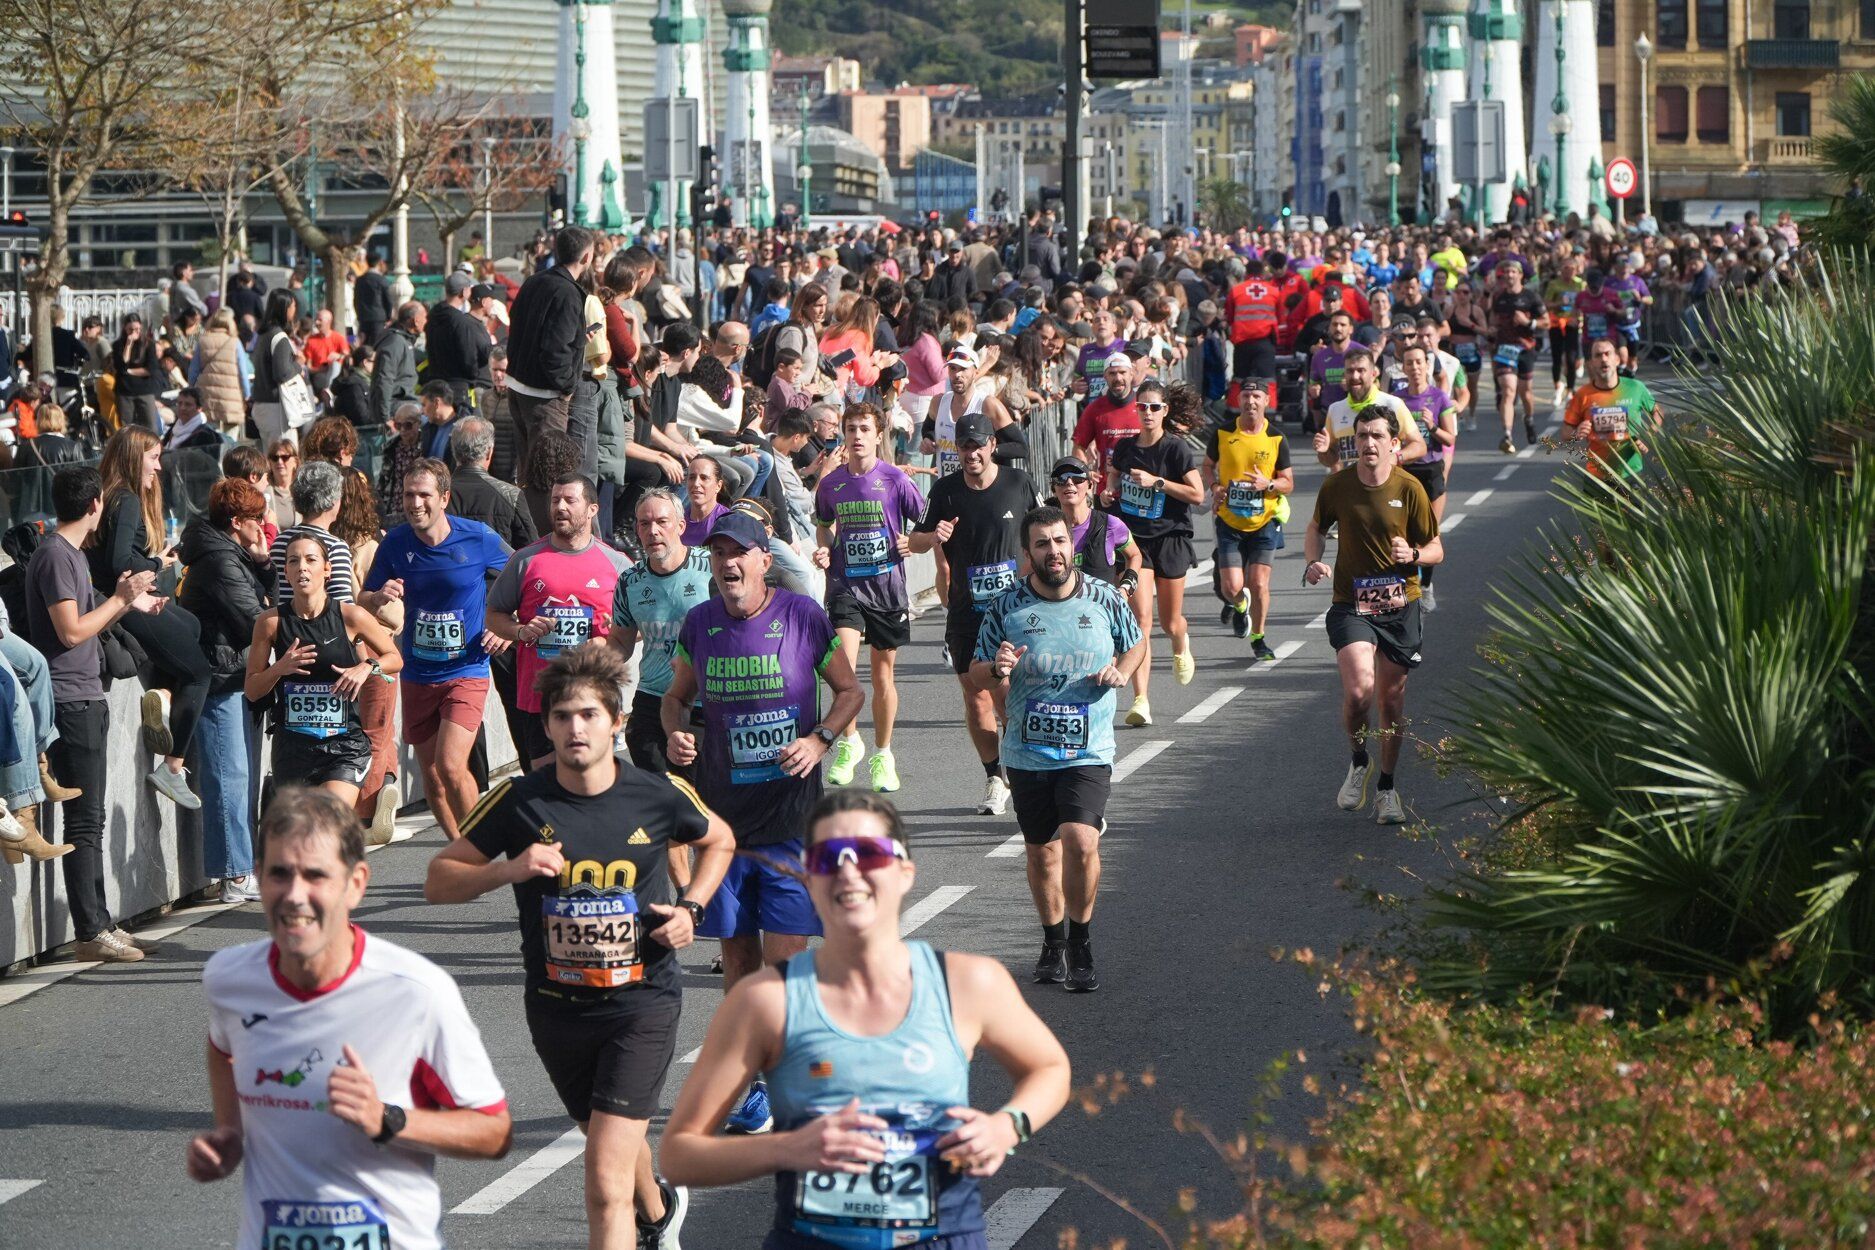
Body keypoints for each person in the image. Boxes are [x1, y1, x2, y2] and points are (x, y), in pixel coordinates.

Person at [662, 790, 1072, 1249]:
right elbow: (679, 1155)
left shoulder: (969, 983)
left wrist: (1005, 1127)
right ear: (808, 879)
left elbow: (1050, 1069)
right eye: (828, 857)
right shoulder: (765, 1001)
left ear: (905, 873)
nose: (849, 870)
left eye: (871, 853)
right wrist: (788, 1149)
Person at [427, 646, 737, 1250]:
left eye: (590, 715)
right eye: (563, 716)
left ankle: (638, 1215)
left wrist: (692, 908)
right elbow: (439, 880)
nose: (576, 728)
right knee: (606, 1141)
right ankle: (659, 1211)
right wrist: (510, 869)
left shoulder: (657, 793)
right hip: (556, 1007)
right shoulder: (519, 801)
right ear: (544, 725)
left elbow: (719, 840)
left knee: (601, 1178)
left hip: (641, 1002)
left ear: (616, 722)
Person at [188, 788, 513, 1250]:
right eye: (279, 874)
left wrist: (387, 1119)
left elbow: (494, 1132)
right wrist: (230, 1135)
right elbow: (223, 1048)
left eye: (316, 875)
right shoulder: (230, 979)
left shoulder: (416, 992)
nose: (295, 896)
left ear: (356, 883)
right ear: (258, 878)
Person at [660, 510, 864, 1134]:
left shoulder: (803, 617)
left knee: (783, 966)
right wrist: (675, 735)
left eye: (737, 553)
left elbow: (851, 692)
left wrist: (821, 738)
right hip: (722, 827)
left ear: (762, 560)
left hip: (790, 821)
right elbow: (675, 698)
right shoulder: (700, 624)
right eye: (717, 553)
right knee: (738, 961)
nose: (726, 563)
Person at [973, 506, 1144, 991]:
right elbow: (975, 671)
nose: (1054, 552)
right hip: (1028, 751)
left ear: (1072, 545)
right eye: (1042, 545)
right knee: (1042, 854)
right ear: (1027, 554)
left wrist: (1123, 673)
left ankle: (1080, 941)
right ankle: (1052, 940)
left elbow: (1135, 642)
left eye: (1060, 541)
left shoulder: (1105, 597)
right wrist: (998, 666)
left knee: (1081, 839)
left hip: (1089, 748)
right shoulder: (1006, 606)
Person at [26, 466, 165, 963]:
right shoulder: (57, 557)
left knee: (91, 818)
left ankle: (100, 921)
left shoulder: (70, 556)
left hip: (84, 697)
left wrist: (131, 605)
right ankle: (90, 930)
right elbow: (70, 631)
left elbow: (87, 620)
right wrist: (120, 600)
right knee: (84, 820)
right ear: (95, 506)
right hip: (70, 701)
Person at [1302, 404, 1443, 825]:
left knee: (1391, 701)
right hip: (1351, 602)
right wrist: (1313, 561)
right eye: (1362, 436)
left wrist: (1414, 553)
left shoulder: (1410, 488)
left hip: (1400, 603)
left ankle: (1386, 787)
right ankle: (1359, 759)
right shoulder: (1338, 486)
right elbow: (1315, 529)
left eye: (1377, 436)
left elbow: (1437, 548)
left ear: (1394, 444)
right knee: (1360, 693)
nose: (1368, 443)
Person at [362, 459, 512, 840]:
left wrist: (507, 629)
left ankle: (481, 843)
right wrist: (379, 597)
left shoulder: (477, 537)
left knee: (449, 764)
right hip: (417, 672)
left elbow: (524, 576)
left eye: (424, 495)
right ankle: (459, 848)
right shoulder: (396, 542)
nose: (415, 503)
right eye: (409, 495)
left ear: (444, 498)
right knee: (431, 774)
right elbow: (363, 595)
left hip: (467, 669)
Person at [909, 412, 1038, 817]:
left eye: (978, 445)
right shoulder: (945, 491)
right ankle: (995, 776)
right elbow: (913, 541)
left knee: (1007, 695)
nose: (971, 453)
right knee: (974, 693)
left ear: (992, 446)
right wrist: (934, 537)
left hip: (1013, 610)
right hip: (966, 612)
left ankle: (1021, 766)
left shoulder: (1017, 483)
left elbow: (1042, 532)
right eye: (964, 447)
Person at [85, 427, 210, 808]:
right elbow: (122, 563)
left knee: (191, 625)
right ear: (132, 457)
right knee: (200, 673)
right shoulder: (127, 500)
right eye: (153, 458)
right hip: (121, 604)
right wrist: (159, 562)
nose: (158, 466)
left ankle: (163, 695)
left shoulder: (109, 496)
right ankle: (172, 769)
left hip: (112, 599)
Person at [812, 403, 926, 793]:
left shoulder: (894, 479)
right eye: (850, 429)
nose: (857, 436)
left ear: (879, 435)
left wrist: (914, 541)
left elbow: (924, 527)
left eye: (864, 429)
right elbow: (824, 527)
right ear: (843, 435)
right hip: (845, 584)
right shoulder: (831, 484)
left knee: (882, 675)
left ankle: (882, 752)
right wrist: (824, 549)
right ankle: (849, 742)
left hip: (888, 589)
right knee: (841, 666)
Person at [485, 474, 630, 769]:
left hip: (594, 697)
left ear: (592, 509)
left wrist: (606, 640)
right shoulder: (526, 560)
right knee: (546, 792)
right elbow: (493, 616)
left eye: (569, 500)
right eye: (555, 500)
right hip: (539, 698)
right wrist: (521, 631)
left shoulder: (616, 564)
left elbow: (635, 628)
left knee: (592, 786)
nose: (560, 507)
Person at [246, 534, 402, 805]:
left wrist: (366, 666)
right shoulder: (270, 623)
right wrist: (279, 668)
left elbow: (394, 657)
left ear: (327, 569)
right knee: (304, 837)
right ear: (286, 572)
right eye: (293, 561)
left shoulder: (351, 616)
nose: (302, 567)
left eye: (310, 560)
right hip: (292, 747)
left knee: (332, 818)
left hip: (344, 746)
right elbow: (252, 690)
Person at [179, 478, 273, 903]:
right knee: (228, 775)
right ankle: (234, 874)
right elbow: (254, 619)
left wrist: (265, 562)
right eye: (258, 518)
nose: (265, 524)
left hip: (232, 673)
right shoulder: (219, 559)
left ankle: (238, 866)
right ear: (238, 522)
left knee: (236, 774)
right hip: (221, 676)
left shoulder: (228, 552)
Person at [1102, 377, 1202, 721]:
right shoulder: (1128, 447)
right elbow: (1112, 475)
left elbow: (1198, 495)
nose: (1147, 412)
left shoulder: (1176, 448)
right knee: (1140, 620)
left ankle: (1180, 642)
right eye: (1142, 406)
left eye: (1154, 407)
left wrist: (1157, 482)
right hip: (1136, 541)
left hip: (1171, 537)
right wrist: (1109, 491)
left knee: (1170, 622)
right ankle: (1141, 700)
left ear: (1165, 411)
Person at [606, 488, 713, 776]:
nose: (653, 531)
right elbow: (620, 639)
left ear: (680, 526)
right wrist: (595, 668)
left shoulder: (711, 567)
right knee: (657, 792)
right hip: (651, 699)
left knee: (699, 797)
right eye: (644, 523)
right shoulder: (629, 581)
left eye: (661, 522)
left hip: (705, 701)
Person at [1203, 380, 1293, 658]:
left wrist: (1268, 484)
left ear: (1267, 401)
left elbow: (1288, 483)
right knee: (1231, 587)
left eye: (1257, 396)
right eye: (1245, 396)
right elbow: (1207, 466)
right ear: (1237, 400)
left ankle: (1258, 638)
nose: (1251, 402)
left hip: (1264, 522)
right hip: (1230, 521)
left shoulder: (1277, 438)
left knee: (1259, 583)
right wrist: (1215, 487)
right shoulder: (1222, 433)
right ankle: (1240, 608)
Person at [507, 226, 597, 472]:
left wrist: (578, 338)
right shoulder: (568, 293)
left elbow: (523, 326)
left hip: (518, 385)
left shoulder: (534, 281)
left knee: (529, 471)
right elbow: (553, 351)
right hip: (544, 396)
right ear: (587, 257)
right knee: (549, 475)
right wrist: (567, 386)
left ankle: (530, 512)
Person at [1394, 344, 1458, 611]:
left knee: (1429, 532)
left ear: (1426, 365)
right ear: (1403, 367)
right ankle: (1409, 589)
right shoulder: (1396, 400)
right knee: (1405, 534)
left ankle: (1427, 586)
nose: (1415, 368)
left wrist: (1431, 426)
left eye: (1419, 362)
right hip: (1406, 471)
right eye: (1410, 363)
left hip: (1431, 470)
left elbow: (1450, 437)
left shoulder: (1440, 396)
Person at [1562, 335, 1660, 482]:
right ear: (1591, 364)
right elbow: (1565, 432)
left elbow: (1657, 412)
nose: (1604, 359)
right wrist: (1577, 433)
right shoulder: (1583, 394)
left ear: (1617, 360)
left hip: (1631, 474)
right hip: (1597, 475)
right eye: (1598, 355)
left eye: (1608, 354)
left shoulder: (1635, 388)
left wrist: (1648, 435)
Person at [1048, 455, 1141, 592]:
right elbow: (1029, 569)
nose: (1069, 482)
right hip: (1060, 610)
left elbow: (1134, 555)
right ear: (1054, 489)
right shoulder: (1045, 529)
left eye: (1077, 478)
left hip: (1101, 610)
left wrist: (1126, 588)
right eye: (1061, 479)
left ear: (1090, 485)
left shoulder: (1110, 524)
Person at [1487, 260, 1548, 453]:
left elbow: (1546, 322)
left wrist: (1528, 323)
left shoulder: (1531, 297)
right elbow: (1493, 319)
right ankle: (1507, 435)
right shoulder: (1499, 297)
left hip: (1525, 349)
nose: (1510, 275)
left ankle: (1528, 419)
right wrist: (1492, 329)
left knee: (1525, 393)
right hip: (1505, 349)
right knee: (1508, 390)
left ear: (1520, 275)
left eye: (1513, 272)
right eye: (1506, 272)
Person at [252, 289, 308, 447]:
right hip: (277, 408)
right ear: (285, 308)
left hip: (261, 404)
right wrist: (298, 365)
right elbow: (282, 373)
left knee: (271, 459)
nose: (295, 310)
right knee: (285, 458)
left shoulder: (263, 335)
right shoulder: (279, 337)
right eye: (293, 306)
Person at [372, 301, 425, 428]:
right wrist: (385, 418)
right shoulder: (395, 342)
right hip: (396, 406)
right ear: (416, 320)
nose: (426, 321)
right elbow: (384, 379)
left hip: (402, 402)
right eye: (425, 317)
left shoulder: (404, 341)